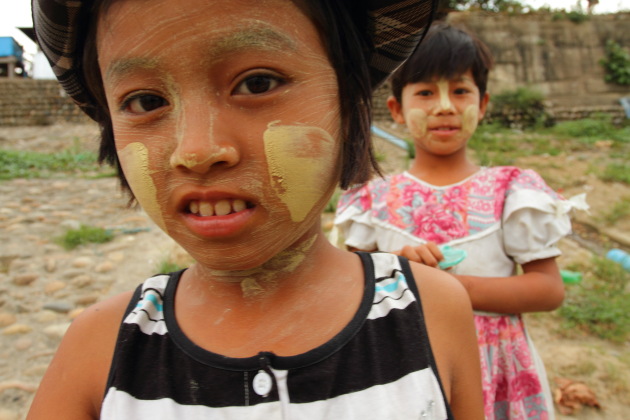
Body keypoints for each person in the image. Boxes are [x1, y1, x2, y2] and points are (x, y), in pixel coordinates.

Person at [27, 1, 484, 419]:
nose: (197, 150)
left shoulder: (433, 311)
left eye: (257, 83)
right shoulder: (98, 350)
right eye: (146, 101)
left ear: (348, 106)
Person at [335, 22, 587, 420]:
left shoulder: (511, 190)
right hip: (406, 369)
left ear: (483, 104)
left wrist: (445, 287)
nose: (444, 106)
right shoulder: (371, 201)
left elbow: (548, 289)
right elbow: (351, 289)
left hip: (498, 367)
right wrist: (392, 269)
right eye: (424, 92)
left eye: (460, 91)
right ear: (397, 109)